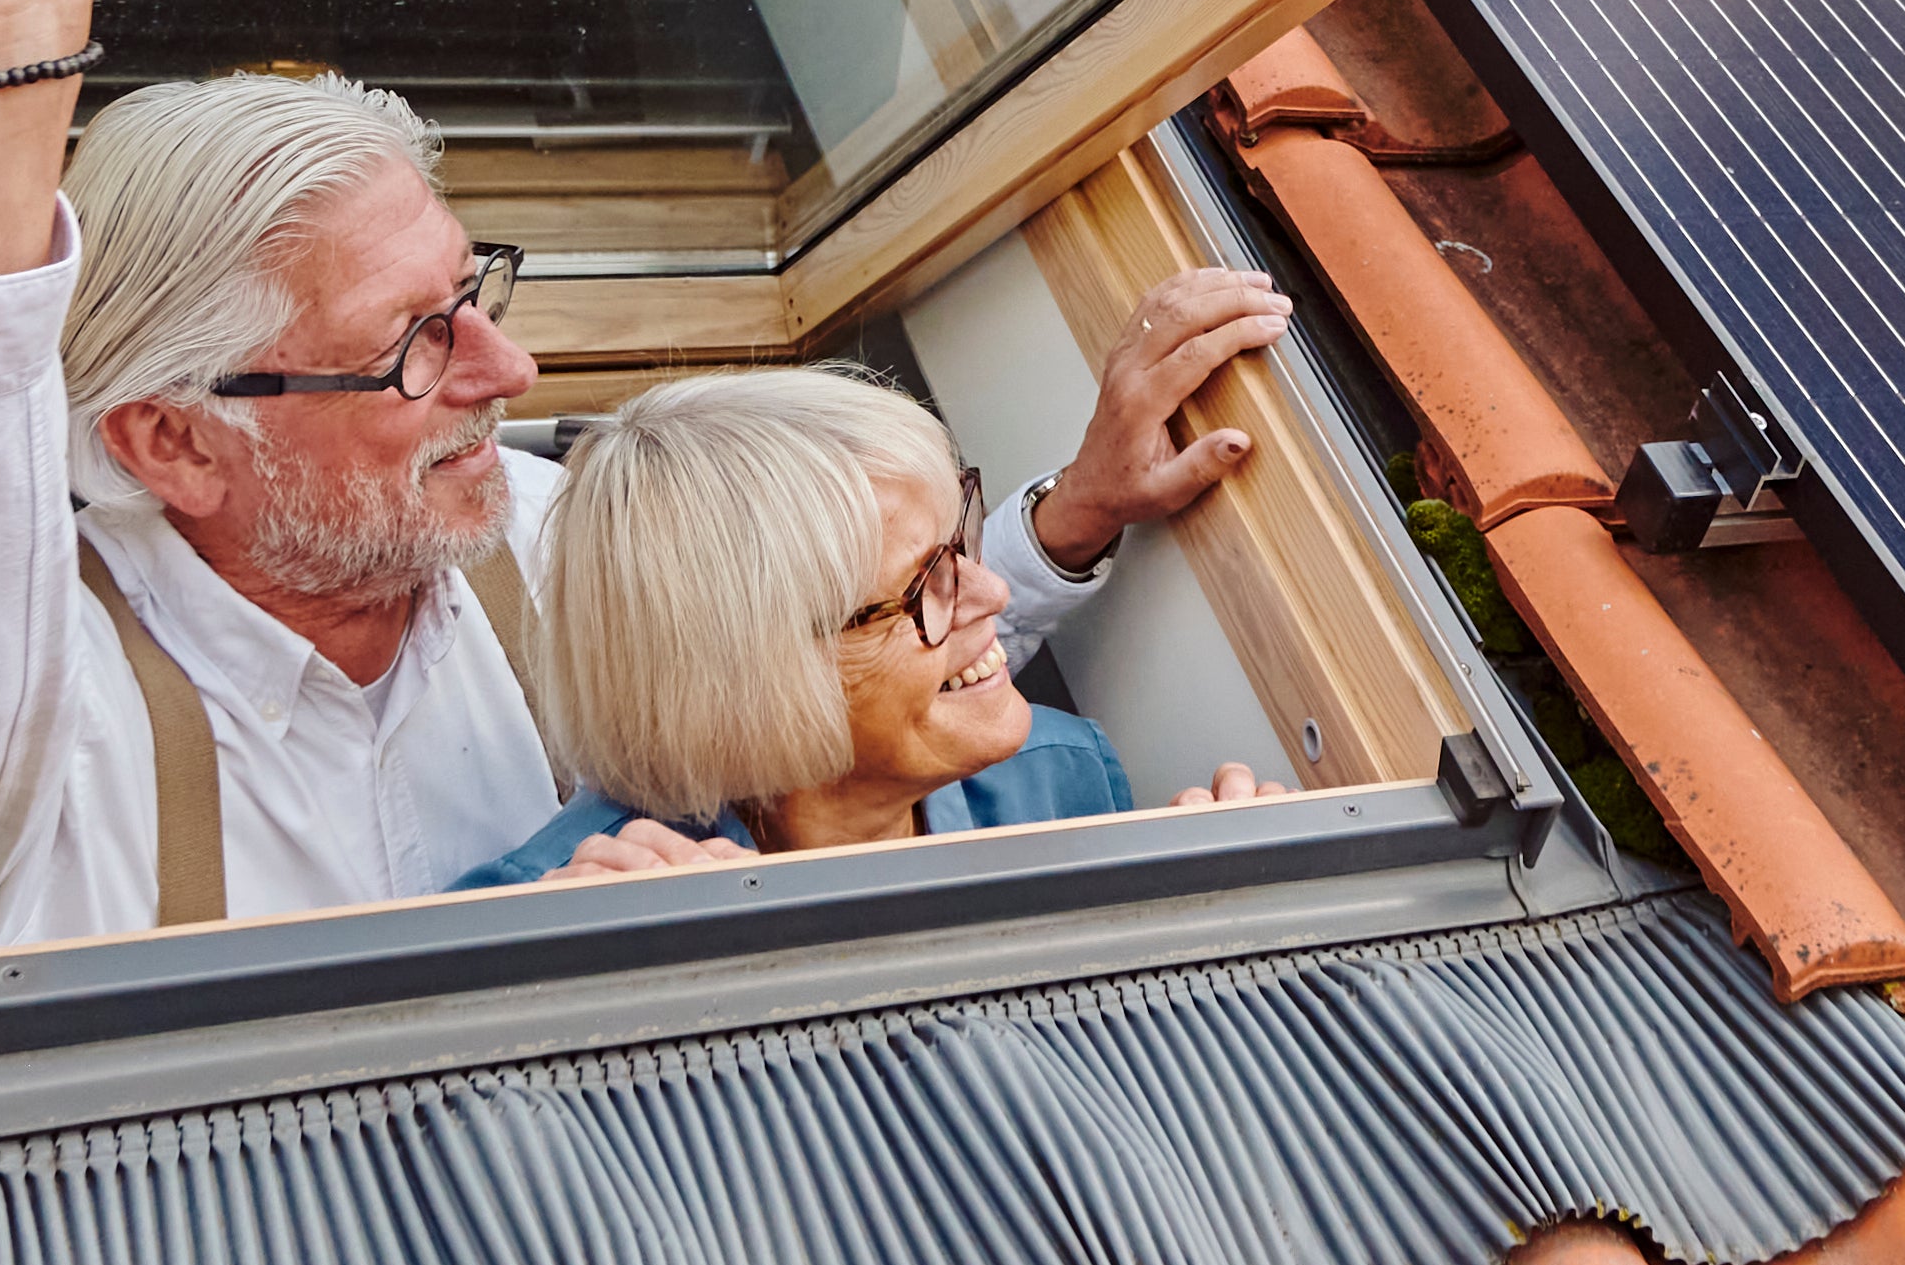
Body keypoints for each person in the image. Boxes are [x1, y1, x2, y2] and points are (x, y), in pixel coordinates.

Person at [0, 0, 1297, 956]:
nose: (512, 374)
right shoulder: (30, 709)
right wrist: (6, 43)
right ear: (174, 443)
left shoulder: (532, 535)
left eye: (471, 295)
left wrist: (1069, 524)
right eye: (415, 346)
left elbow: (839, 643)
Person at [467, 364, 1292, 889]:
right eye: (926, 587)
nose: (994, 593)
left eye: (958, 543)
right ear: (750, 681)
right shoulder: (549, 910)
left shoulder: (1060, 781)